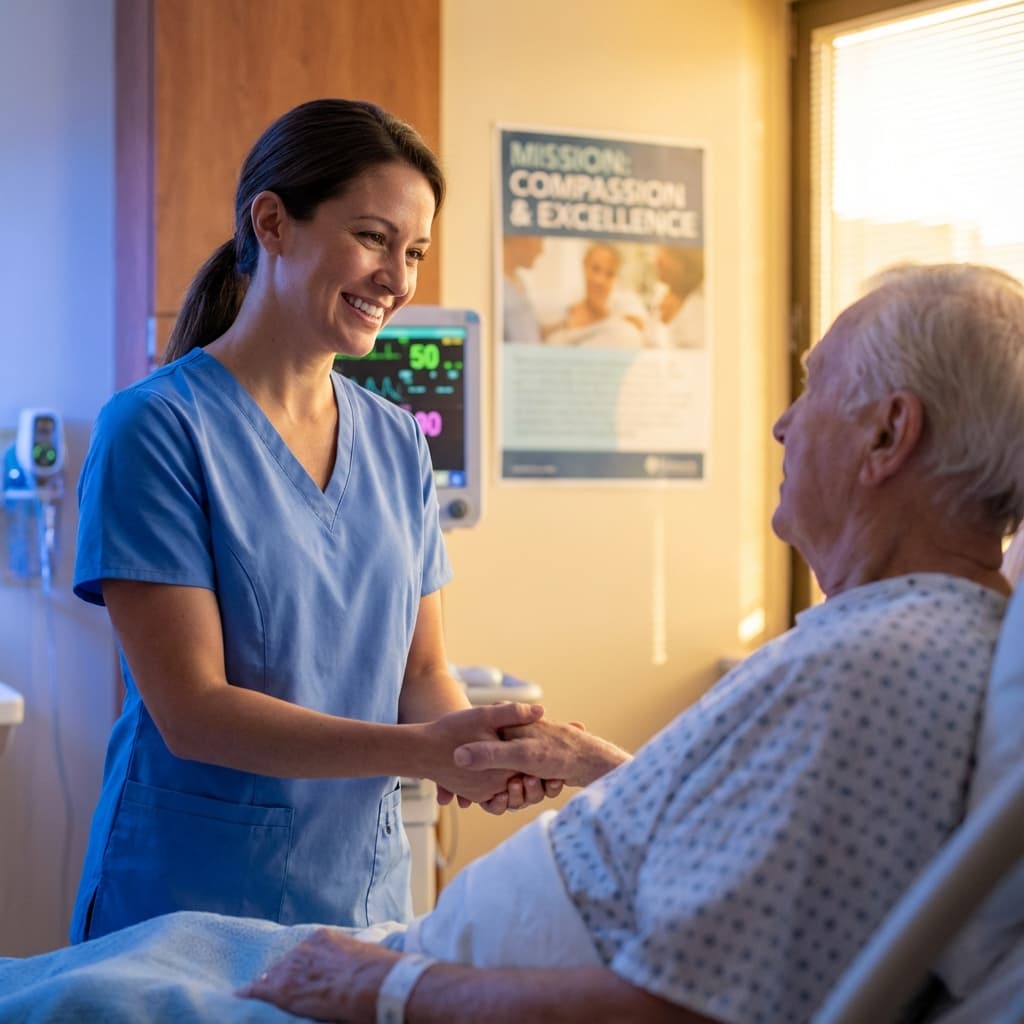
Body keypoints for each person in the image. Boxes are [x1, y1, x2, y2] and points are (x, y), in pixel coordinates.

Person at [240, 263, 1024, 1023]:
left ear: (889, 433)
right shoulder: (906, 639)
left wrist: (382, 990)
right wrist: (599, 768)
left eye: (814, 386)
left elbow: (682, 1008)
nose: (785, 423)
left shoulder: (878, 667)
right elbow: (775, 840)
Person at [69, 98, 556, 945]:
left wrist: (475, 749)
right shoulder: (155, 429)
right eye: (373, 238)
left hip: (360, 901)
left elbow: (424, 671)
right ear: (273, 223)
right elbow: (193, 710)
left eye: (414, 253)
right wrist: (421, 752)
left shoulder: (397, 440)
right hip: (185, 909)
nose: (398, 281)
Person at [544, 240, 645, 347]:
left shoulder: (626, 307)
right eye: (595, 269)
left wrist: (602, 314)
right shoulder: (566, 305)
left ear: (616, 278)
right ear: (584, 267)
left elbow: (637, 333)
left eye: (610, 274)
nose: (600, 280)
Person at [646, 243, 706, 349]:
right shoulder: (660, 293)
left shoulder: (703, 303)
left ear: (684, 261)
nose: (656, 260)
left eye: (666, 253)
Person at [501, 233, 545, 342]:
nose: (541, 250)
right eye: (539, 240)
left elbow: (526, 331)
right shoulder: (498, 285)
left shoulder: (518, 281)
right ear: (519, 240)